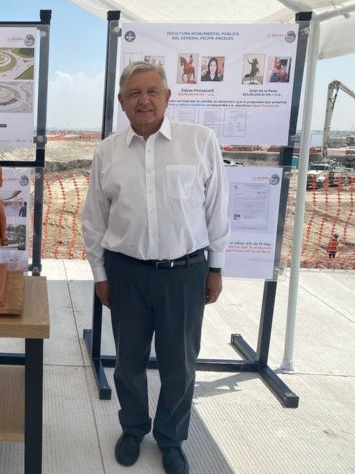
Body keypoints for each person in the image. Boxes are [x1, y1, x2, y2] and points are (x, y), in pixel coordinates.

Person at [82, 61, 230, 474]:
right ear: (121, 102)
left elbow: (216, 208)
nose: (143, 100)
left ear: (167, 96)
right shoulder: (107, 152)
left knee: (179, 365)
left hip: (184, 273)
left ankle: (171, 439)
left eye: (152, 91)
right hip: (126, 272)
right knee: (128, 362)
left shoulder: (199, 141)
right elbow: (94, 219)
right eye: (134, 93)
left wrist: (216, 268)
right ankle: (133, 429)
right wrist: (100, 275)